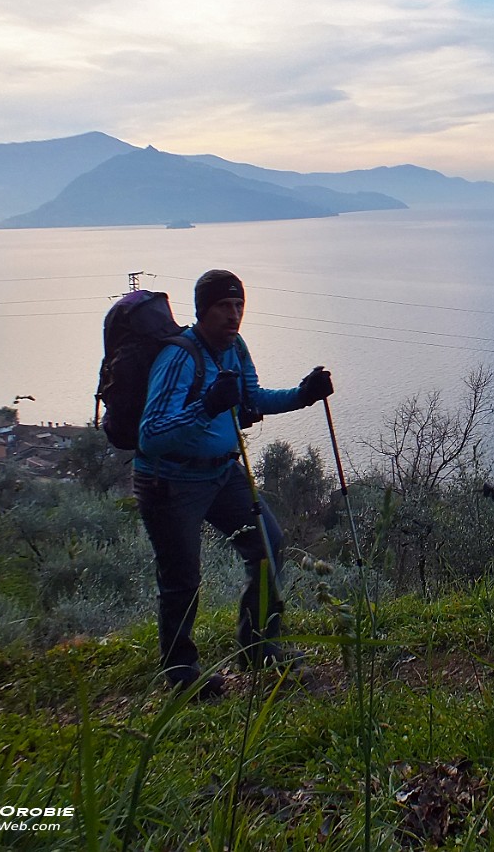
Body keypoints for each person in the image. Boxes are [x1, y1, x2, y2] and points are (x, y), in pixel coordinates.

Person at [134, 268, 334, 699]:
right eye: (225, 306)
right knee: (181, 578)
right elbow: (150, 434)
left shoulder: (234, 348)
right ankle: (183, 674)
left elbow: (251, 398)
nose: (234, 314)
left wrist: (303, 394)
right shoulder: (180, 358)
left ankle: (260, 646)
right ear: (203, 310)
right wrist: (206, 407)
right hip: (170, 481)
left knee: (268, 545)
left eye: (239, 305)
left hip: (221, 473)